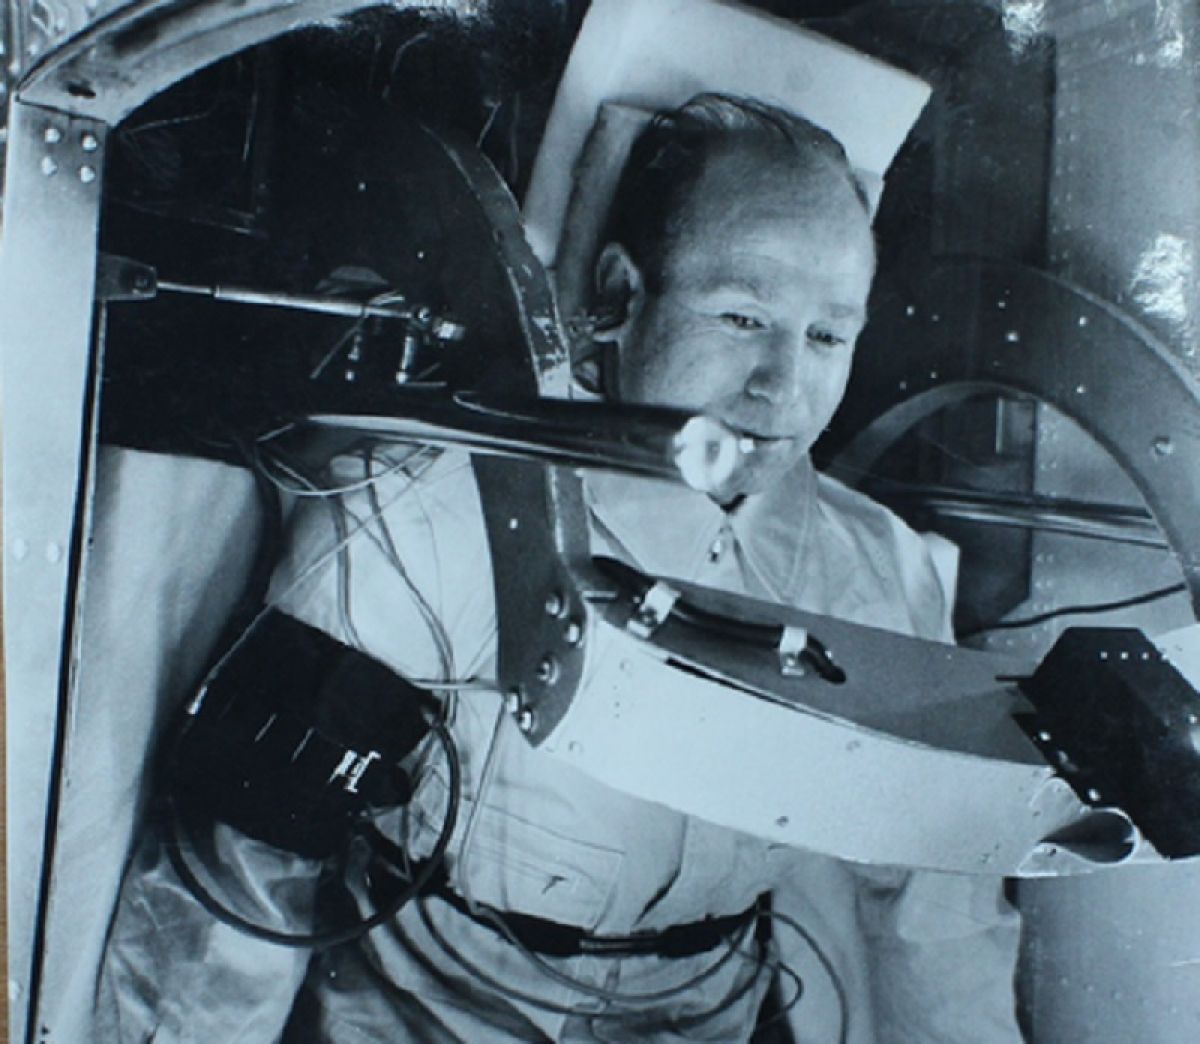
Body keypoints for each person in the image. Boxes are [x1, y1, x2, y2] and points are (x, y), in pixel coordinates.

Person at [97, 94, 1023, 1043]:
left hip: (714, 1016)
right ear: (621, 293)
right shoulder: (429, 510)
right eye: (743, 316)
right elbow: (247, 876)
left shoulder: (882, 574)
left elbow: (941, 922)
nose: (783, 387)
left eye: (827, 335)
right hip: (429, 1017)